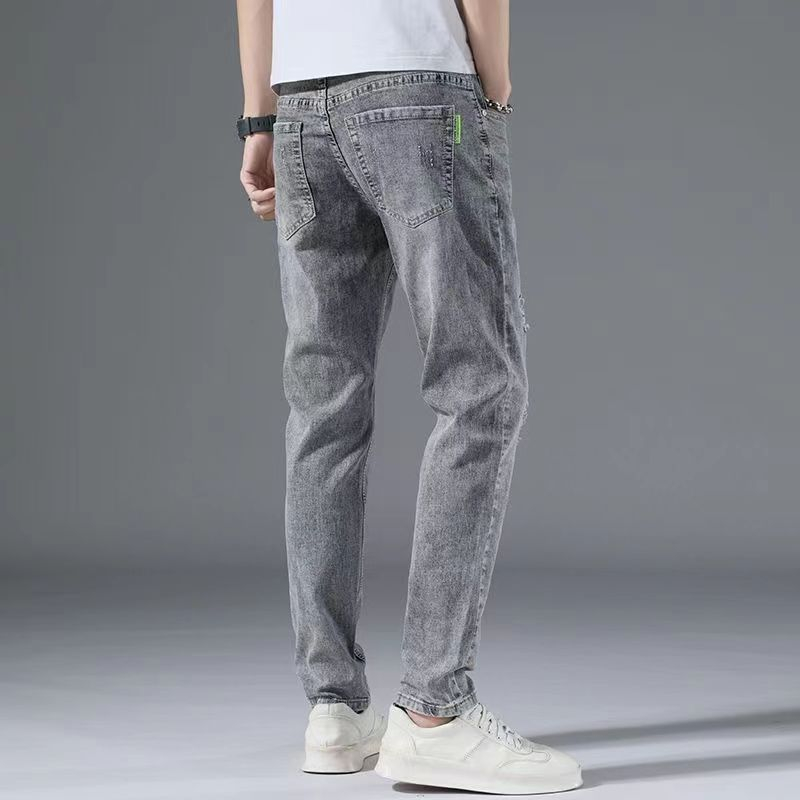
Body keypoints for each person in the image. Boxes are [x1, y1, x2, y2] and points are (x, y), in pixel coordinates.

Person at [235, 0, 582, 793]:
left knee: (323, 410)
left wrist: (258, 119)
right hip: (421, 89)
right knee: (479, 389)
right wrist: (493, 85)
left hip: (300, 105)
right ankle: (434, 714)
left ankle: (333, 709)